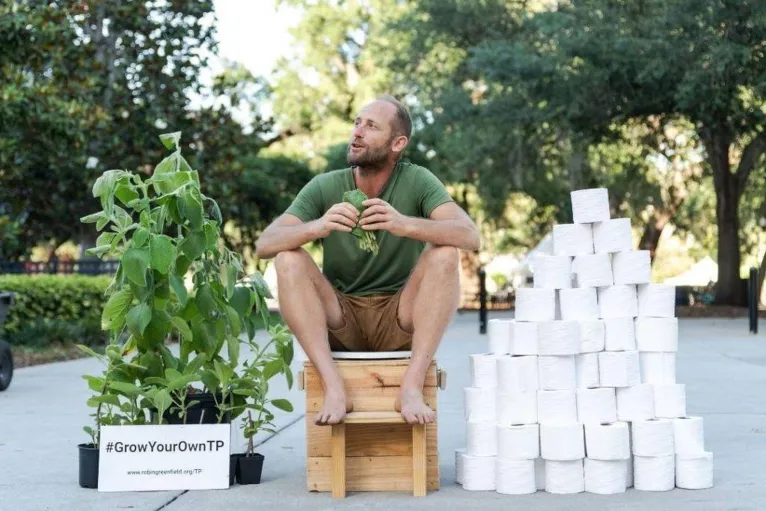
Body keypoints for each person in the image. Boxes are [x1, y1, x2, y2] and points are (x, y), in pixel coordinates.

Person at [255, 96, 480, 426]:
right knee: (288, 260)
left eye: (371, 126)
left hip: (399, 317)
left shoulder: (417, 180)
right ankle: (334, 387)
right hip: (341, 317)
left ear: (397, 143)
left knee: (445, 253)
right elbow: (265, 244)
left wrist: (405, 224)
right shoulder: (326, 185)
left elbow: (469, 236)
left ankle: (412, 385)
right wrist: (317, 226)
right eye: (357, 123)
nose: (357, 132)